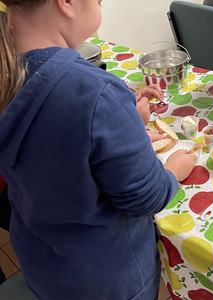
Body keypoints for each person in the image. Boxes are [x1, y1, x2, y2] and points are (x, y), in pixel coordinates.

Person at [0, 0, 196, 299]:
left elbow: (54, 145)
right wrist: (172, 171)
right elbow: (146, 197)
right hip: (105, 280)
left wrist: (123, 120)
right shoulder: (95, 92)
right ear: (66, 3)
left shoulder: (8, 67)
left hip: (42, 262)